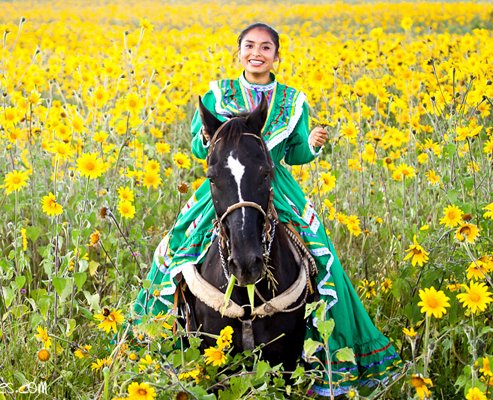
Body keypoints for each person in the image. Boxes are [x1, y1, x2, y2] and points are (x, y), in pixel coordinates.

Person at [134, 22, 401, 396]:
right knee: (173, 249)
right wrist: (204, 136)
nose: (256, 53)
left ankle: (327, 360)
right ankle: (154, 341)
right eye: (249, 46)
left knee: (325, 262)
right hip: (226, 184)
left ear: (277, 55)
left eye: (265, 47)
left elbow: (295, 153)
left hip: (275, 186)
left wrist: (312, 143)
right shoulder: (215, 94)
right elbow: (200, 149)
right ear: (238, 51)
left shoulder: (294, 100)